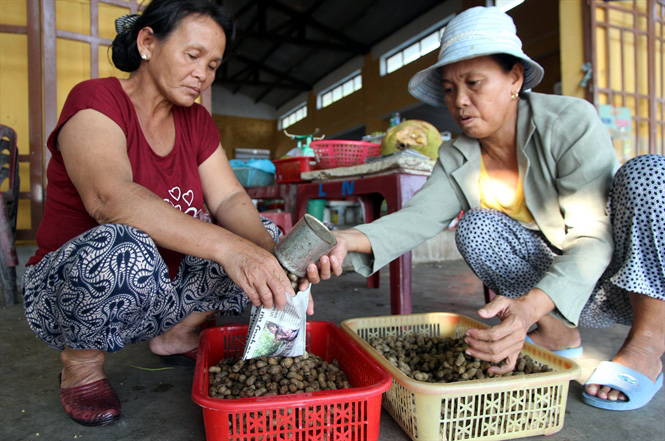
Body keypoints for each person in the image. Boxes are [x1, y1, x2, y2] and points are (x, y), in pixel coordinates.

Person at [307, 6, 664, 412]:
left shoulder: (568, 120)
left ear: (514, 79)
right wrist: (343, 239)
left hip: (621, 280)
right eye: (449, 89)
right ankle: (558, 334)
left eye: (474, 83)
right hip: (555, 291)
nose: (459, 101)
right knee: (477, 228)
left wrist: (527, 309)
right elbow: (418, 218)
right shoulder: (457, 154)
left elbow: (593, 237)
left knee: (649, 173)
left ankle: (647, 345)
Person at [21, 0, 311, 427]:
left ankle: (177, 334)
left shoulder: (197, 121)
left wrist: (276, 261)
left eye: (212, 65)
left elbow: (229, 200)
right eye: (192, 55)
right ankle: (81, 364)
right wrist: (232, 250)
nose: (202, 74)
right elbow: (109, 198)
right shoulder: (96, 99)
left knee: (263, 236)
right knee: (125, 245)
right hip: (70, 291)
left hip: (163, 286)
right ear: (147, 43)